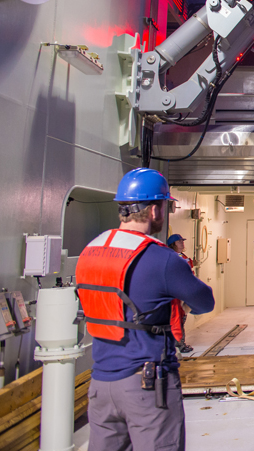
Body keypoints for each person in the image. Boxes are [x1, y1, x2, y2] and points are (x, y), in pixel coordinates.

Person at [75, 168, 214, 451]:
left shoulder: (92, 249)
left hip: (101, 384)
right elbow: (205, 301)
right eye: (166, 205)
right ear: (154, 210)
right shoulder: (162, 259)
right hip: (146, 385)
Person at [166, 234, 194, 354]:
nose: (182, 243)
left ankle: (179, 343)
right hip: (177, 293)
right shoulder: (171, 257)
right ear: (173, 244)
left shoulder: (182, 256)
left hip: (185, 291)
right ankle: (179, 344)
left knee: (182, 317)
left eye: (182, 241)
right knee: (177, 318)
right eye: (179, 242)